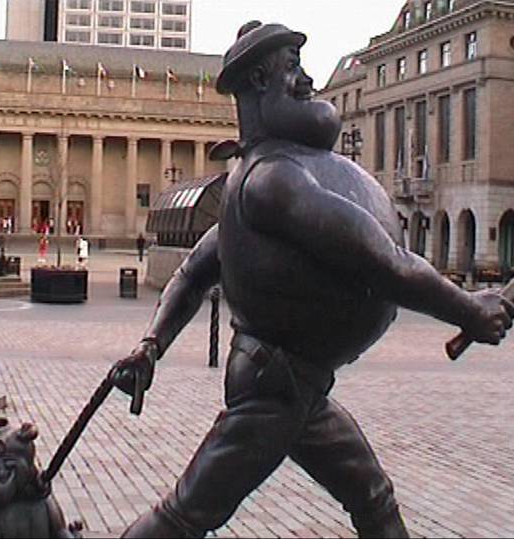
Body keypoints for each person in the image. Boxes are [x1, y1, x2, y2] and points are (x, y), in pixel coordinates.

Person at [111, 21, 514, 539]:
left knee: (371, 493)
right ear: (259, 80)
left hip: (291, 383)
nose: (307, 81)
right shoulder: (274, 181)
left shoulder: (248, 178)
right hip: (275, 386)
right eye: (291, 69)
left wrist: (151, 345)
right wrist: (470, 310)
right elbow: (385, 262)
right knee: (188, 512)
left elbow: (191, 275)